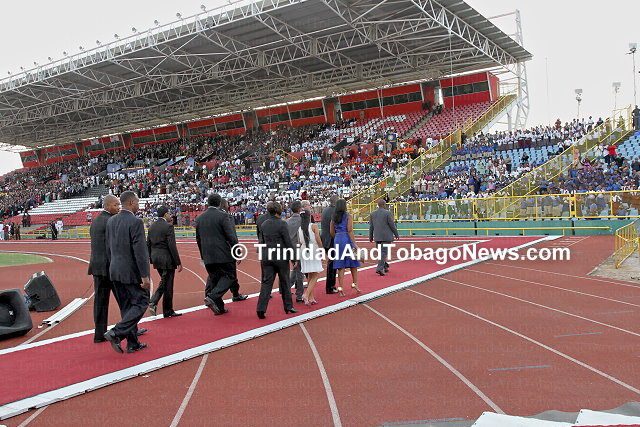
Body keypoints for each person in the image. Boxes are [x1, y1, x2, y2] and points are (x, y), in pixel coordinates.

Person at [103, 191, 151, 354]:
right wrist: (144, 276)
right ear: (131, 203)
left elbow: (108, 249)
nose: (138, 205)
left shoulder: (111, 221)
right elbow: (140, 251)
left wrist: (113, 267)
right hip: (131, 272)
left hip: (115, 270)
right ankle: (116, 333)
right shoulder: (135, 222)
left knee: (126, 307)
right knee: (142, 303)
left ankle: (133, 343)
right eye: (137, 202)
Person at [88, 195, 125, 343]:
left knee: (100, 302)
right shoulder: (112, 221)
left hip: (97, 268)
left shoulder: (96, 221)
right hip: (111, 268)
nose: (118, 208)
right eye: (116, 205)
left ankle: (99, 334)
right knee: (124, 300)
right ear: (107, 205)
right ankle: (130, 330)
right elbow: (116, 246)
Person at [195, 193, 238, 316]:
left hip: (207, 255)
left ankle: (219, 308)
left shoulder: (199, 218)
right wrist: (237, 251)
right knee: (230, 276)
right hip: (223, 253)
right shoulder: (223, 216)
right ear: (219, 203)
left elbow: (198, 239)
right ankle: (212, 297)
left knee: (214, 279)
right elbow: (230, 236)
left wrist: (203, 255)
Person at [256, 202, 298, 319]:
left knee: (266, 283)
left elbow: (262, 241)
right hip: (281, 256)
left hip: (267, 256)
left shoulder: (264, 224)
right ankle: (288, 306)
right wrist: (293, 258)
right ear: (279, 210)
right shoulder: (282, 224)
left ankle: (261, 309)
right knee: (285, 281)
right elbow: (287, 241)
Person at [147, 205, 183, 318]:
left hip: (156, 258)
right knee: (167, 283)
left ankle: (166, 310)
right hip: (167, 259)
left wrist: (151, 258)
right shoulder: (168, 227)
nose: (170, 215)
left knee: (166, 282)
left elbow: (148, 244)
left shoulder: (151, 227)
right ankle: (154, 302)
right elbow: (172, 246)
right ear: (165, 214)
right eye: (169, 213)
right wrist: (178, 262)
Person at [330, 198, 361, 296]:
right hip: (347, 238)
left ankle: (340, 287)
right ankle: (355, 284)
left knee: (340, 265)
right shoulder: (348, 216)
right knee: (354, 263)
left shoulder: (333, 218)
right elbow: (350, 230)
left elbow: (331, 232)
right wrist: (355, 243)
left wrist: (338, 237)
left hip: (338, 239)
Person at [220, 198, 248, 302]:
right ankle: (234, 294)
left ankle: (209, 294)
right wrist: (237, 252)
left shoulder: (207, 217)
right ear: (224, 205)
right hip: (227, 250)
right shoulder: (227, 217)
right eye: (227, 204)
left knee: (214, 275)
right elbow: (232, 235)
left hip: (215, 251)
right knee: (231, 273)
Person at [298, 208, 323, 305]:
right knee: (316, 274)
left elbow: (299, 242)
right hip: (313, 249)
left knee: (310, 274)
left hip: (304, 250)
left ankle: (311, 298)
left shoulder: (300, 228)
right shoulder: (314, 226)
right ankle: (306, 294)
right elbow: (318, 239)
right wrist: (322, 248)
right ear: (309, 217)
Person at [369, 199, 399, 276]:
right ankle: (379, 269)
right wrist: (396, 234)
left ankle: (385, 265)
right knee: (384, 253)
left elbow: (371, 226)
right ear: (383, 205)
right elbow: (392, 224)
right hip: (386, 236)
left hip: (377, 236)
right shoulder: (387, 213)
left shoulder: (372, 214)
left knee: (380, 253)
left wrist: (370, 236)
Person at [286, 200, 305, 303]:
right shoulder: (302, 220)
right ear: (299, 209)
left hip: (290, 248)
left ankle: (287, 287)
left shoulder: (287, 221)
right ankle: (299, 295)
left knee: (296, 269)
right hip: (299, 247)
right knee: (300, 272)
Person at [320, 195, 339, 294]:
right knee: (332, 263)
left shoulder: (325, 210)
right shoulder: (336, 212)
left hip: (325, 239)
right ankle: (330, 286)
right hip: (332, 239)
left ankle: (331, 285)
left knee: (331, 262)